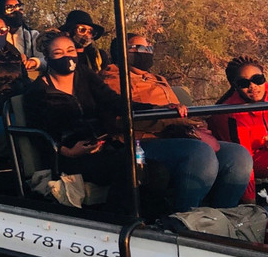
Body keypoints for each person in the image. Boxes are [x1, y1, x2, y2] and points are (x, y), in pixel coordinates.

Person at [102, 35, 251, 211]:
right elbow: (119, 116)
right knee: (199, 153)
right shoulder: (112, 80)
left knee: (237, 155)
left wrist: (193, 123)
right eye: (140, 48)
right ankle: (186, 218)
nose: (147, 53)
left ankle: (223, 217)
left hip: (177, 135)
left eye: (149, 48)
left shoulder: (156, 78)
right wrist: (173, 118)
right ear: (123, 52)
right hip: (145, 141)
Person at [23, 31, 135, 206]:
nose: (67, 57)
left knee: (154, 170)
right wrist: (68, 151)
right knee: (127, 167)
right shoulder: (37, 92)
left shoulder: (84, 74)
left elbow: (113, 101)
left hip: (102, 147)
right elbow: (39, 134)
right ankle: (117, 220)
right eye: (59, 53)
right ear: (48, 57)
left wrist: (159, 108)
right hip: (68, 158)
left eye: (70, 51)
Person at [209, 56, 268, 203]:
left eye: (258, 79)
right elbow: (243, 163)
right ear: (235, 86)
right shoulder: (233, 113)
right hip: (239, 163)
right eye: (244, 83)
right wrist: (251, 204)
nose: (253, 86)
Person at [0, 0, 42, 70]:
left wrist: (35, 62)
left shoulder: (33, 35)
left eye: (18, 7)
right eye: (10, 8)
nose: (16, 11)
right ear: (0, 12)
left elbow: (45, 59)